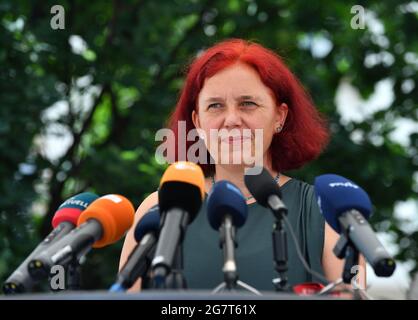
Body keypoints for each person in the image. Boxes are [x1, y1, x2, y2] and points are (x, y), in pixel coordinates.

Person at [119, 38, 366, 293]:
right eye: (215, 106)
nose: (232, 120)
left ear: (279, 117)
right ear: (198, 123)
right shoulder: (158, 209)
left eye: (248, 103)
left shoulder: (327, 213)